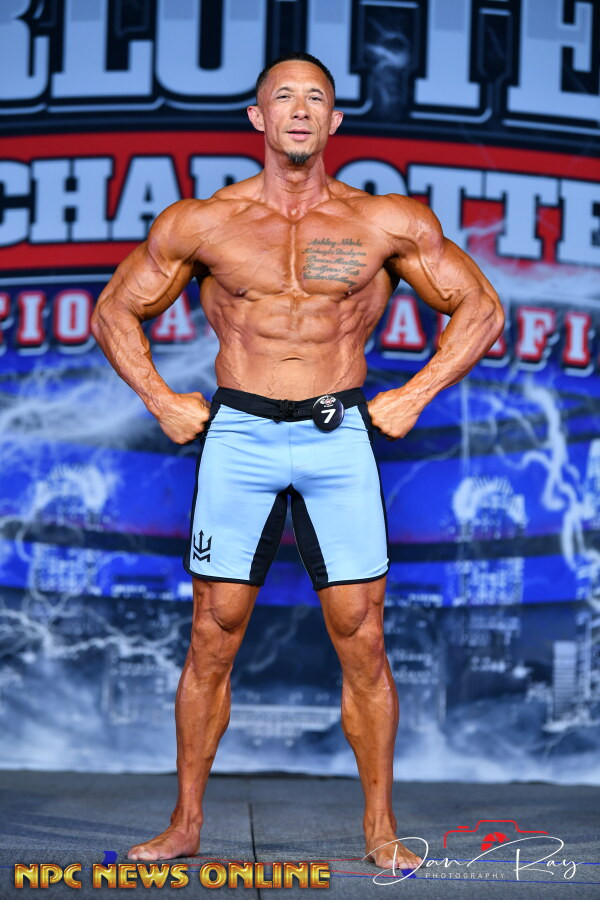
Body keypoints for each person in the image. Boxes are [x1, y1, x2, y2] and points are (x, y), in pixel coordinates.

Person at [91, 51, 504, 871]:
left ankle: (381, 828)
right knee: (212, 632)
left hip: (334, 435)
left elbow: (481, 308)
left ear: (335, 120)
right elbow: (113, 311)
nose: (301, 109)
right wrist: (162, 400)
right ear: (259, 117)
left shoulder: (383, 221)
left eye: (316, 98)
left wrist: (415, 394)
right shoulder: (203, 223)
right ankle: (185, 823)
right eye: (284, 97)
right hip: (240, 436)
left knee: (363, 636)